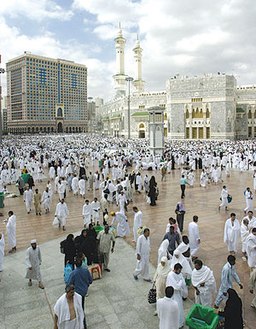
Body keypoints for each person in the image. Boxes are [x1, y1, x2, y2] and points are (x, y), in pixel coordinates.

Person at [68, 258, 92, 329]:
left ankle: (82, 325)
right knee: (81, 308)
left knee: (79, 310)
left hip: (77, 294)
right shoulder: (86, 271)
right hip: (84, 292)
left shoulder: (73, 273)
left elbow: (69, 283)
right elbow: (90, 280)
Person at [166, 263, 187, 328]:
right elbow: (177, 287)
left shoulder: (179, 274)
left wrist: (179, 283)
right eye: (179, 270)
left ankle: (180, 323)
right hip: (173, 295)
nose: (180, 272)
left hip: (178, 295)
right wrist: (180, 281)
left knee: (180, 309)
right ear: (175, 269)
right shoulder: (170, 275)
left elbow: (183, 283)